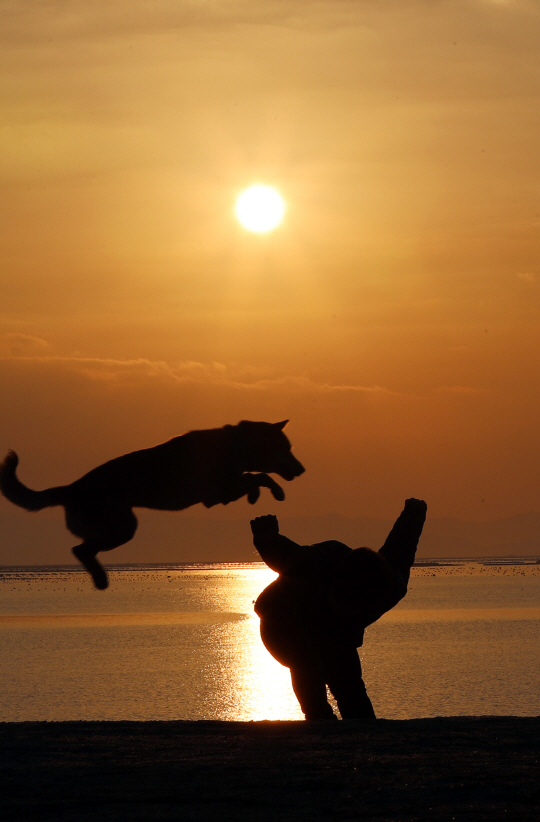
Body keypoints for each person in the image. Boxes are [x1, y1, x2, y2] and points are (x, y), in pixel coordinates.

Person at [250, 498, 427, 720]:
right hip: (282, 621)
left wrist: (415, 511)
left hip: (337, 634)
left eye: (352, 605)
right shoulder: (319, 564)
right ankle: (319, 719)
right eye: (343, 600)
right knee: (306, 667)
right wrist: (267, 539)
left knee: (349, 683)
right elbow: (287, 555)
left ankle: (360, 727)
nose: (345, 607)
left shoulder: (391, 586)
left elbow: (403, 543)